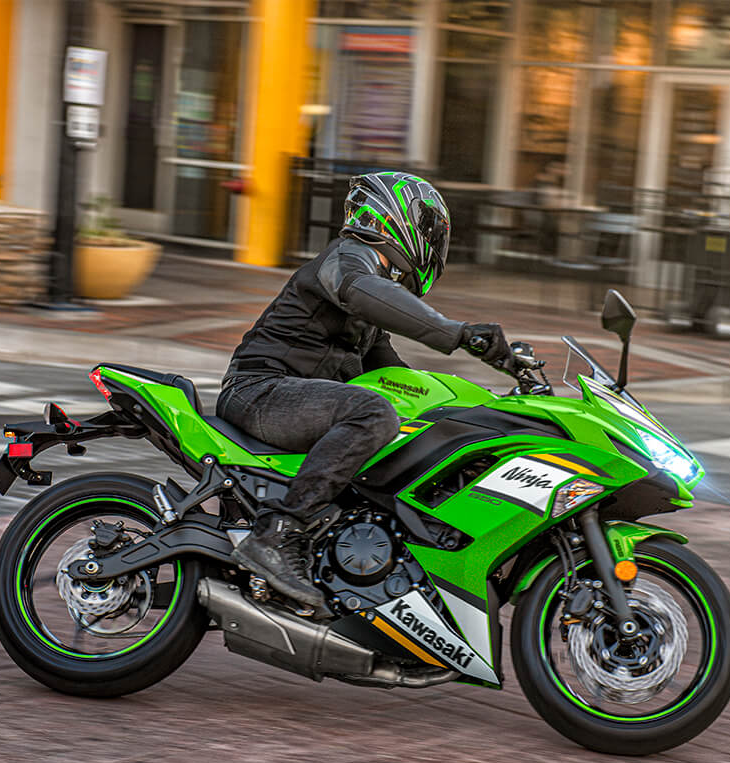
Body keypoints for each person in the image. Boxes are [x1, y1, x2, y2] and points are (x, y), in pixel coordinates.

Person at [216, 172, 510, 610]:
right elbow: (366, 293)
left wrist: (479, 406)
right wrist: (461, 334)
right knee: (372, 414)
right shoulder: (346, 260)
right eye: (430, 229)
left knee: (406, 422)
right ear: (397, 217)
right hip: (260, 391)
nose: (435, 244)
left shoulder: (367, 304)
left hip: (290, 398)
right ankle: (278, 536)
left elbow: (401, 378)